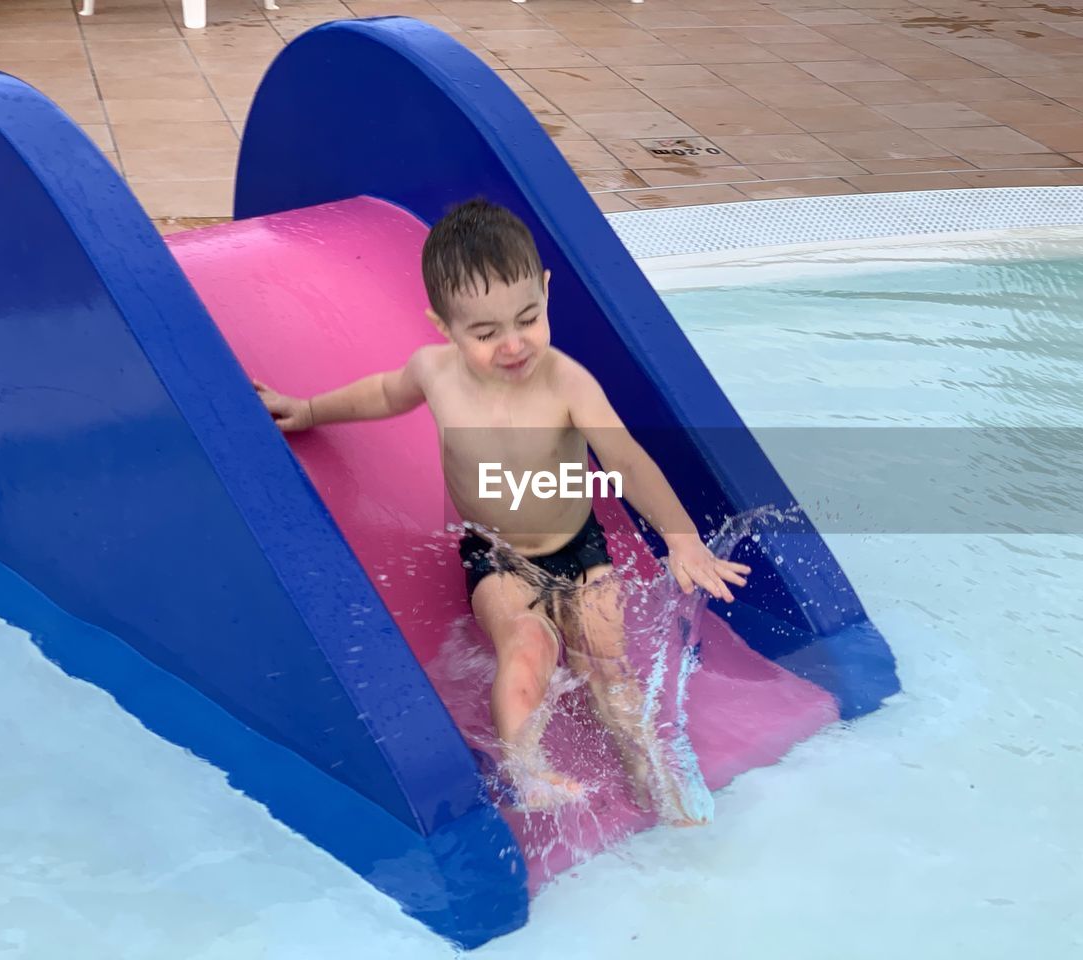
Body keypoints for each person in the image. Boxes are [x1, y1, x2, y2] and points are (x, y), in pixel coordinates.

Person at [254, 199, 748, 821]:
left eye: (528, 319)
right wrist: (308, 409)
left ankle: (650, 777)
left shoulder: (568, 383)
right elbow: (381, 393)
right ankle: (529, 770)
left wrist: (682, 539)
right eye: (485, 334)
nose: (513, 345)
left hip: (581, 548)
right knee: (525, 649)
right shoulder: (434, 373)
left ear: (544, 293)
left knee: (609, 666)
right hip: (497, 556)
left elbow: (624, 459)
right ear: (444, 326)